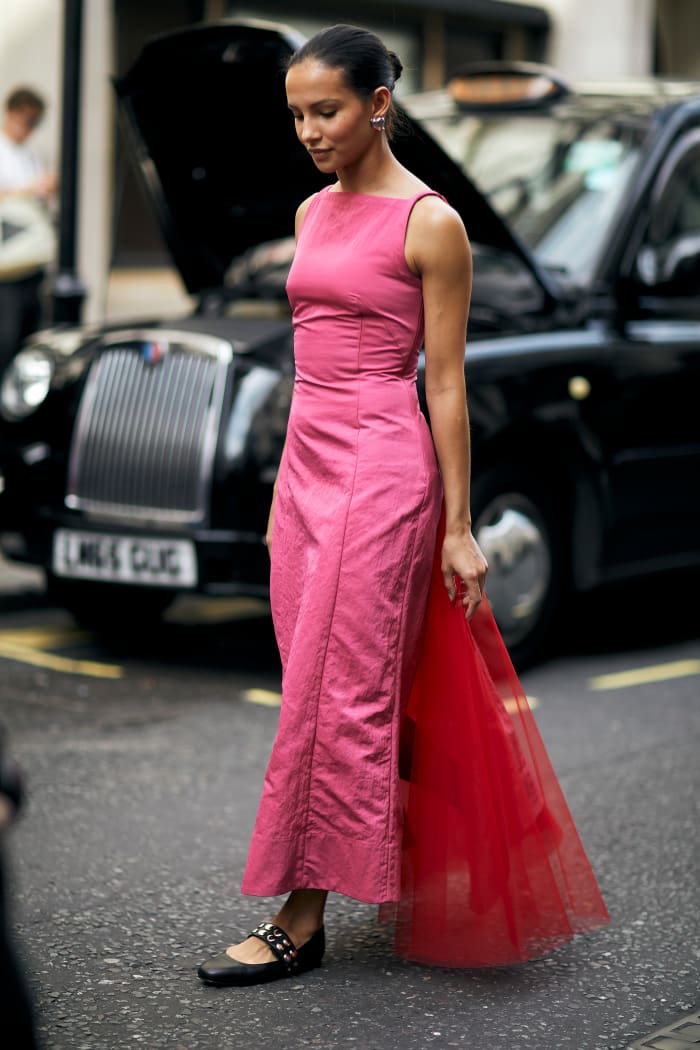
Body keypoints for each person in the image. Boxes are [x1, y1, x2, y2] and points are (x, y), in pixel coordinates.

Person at [198, 24, 609, 987]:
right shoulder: (307, 213)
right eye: (297, 113)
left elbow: (449, 386)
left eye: (326, 110)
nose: (308, 130)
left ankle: (300, 916)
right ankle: (487, 820)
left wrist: (459, 526)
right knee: (341, 676)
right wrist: (277, 498)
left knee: (328, 695)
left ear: (379, 103)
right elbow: (306, 362)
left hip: (382, 468)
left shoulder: (432, 223)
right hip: (306, 468)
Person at [0, 86, 57, 375]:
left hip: (30, 262)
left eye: (37, 122)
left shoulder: (32, 155)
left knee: (28, 336)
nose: (31, 129)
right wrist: (30, 189)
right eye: (28, 121)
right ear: (10, 114)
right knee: (5, 340)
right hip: (6, 265)